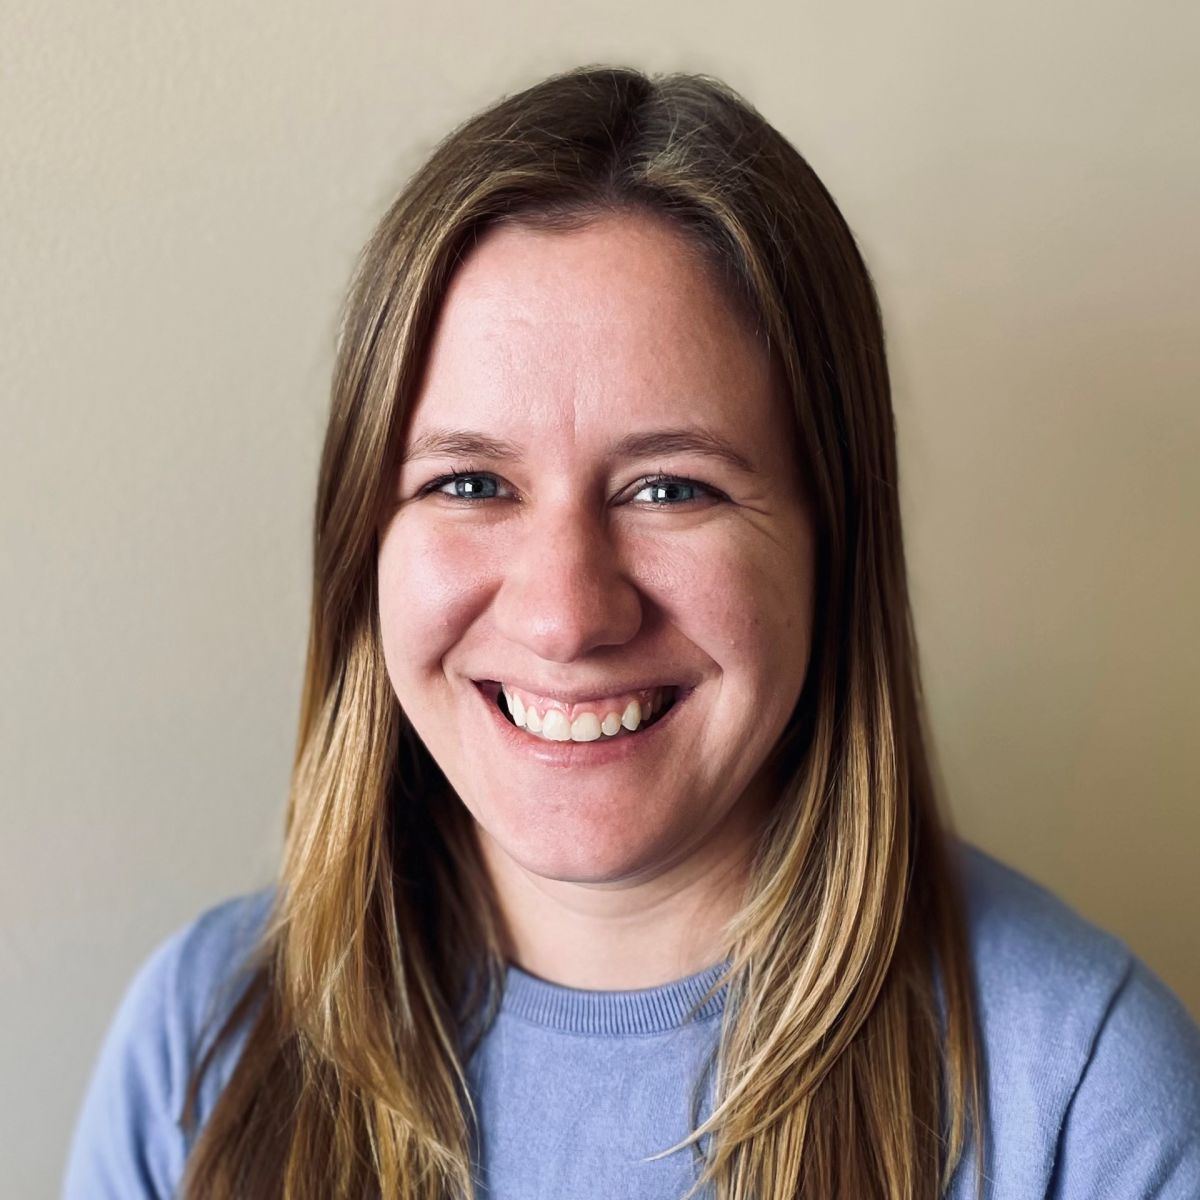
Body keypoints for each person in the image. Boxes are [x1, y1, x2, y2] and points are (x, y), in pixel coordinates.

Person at [63, 65, 1200, 1200]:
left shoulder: (1083, 1100)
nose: (565, 616)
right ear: (362, 542)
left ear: (833, 542)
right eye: (468, 483)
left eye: (669, 490)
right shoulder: (200, 1049)